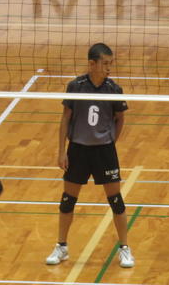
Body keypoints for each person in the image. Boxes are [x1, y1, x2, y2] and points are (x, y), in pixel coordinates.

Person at [45, 43, 134, 269]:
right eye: (105, 64)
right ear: (91, 64)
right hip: (78, 149)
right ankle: (62, 246)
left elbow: (120, 118)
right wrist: (61, 150)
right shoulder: (76, 86)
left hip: (104, 150)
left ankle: (124, 248)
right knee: (68, 200)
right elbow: (65, 118)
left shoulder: (114, 89)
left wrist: (111, 140)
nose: (108, 69)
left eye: (110, 64)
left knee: (116, 200)